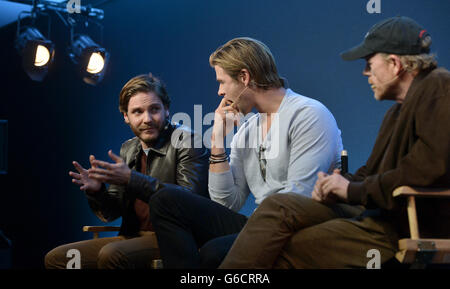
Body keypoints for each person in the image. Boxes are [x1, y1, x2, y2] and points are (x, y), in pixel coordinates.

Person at [219, 16, 450, 269]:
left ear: (394, 64)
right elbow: (372, 172)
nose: (365, 73)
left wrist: (350, 190)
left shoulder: (439, 86)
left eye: (369, 64)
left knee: (286, 242)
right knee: (279, 209)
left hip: (398, 226)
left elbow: (427, 169)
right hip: (372, 213)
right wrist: (336, 185)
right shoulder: (396, 111)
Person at [148, 37, 349, 268]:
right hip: (260, 222)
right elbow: (226, 203)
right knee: (165, 201)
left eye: (222, 82)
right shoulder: (247, 129)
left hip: (296, 224)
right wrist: (217, 141)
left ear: (244, 78)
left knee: (214, 252)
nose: (219, 91)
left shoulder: (309, 114)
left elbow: (298, 198)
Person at [45, 73, 209, 269]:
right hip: (130, 237)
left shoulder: (187, 141)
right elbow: (111, 213)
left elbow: (189, 203)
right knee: (59, 258)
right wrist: (97, 191)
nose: (147, 119)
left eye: (154, 109)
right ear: (126, 116)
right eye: (137, 112)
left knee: (112, 255)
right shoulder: (128, 148)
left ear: (166, 110)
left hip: (173, 239)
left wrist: (132, 179)